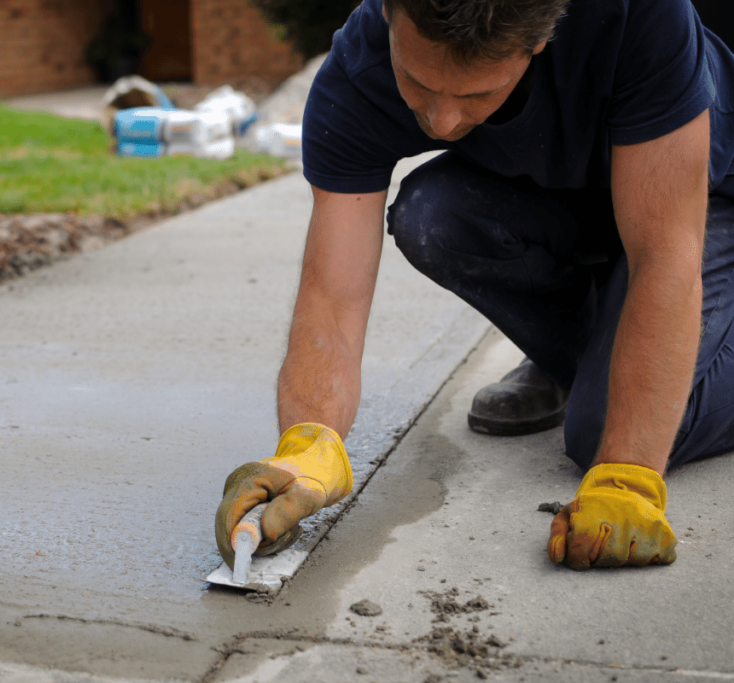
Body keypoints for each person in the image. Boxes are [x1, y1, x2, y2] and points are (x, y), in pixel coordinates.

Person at [216, 0, 734, 571]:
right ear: (390, 11)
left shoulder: (641, 17)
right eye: (416, 81)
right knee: (432, 216)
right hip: (589, 202)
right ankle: (594, 355)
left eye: (477, 94)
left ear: (541, 41)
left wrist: (630, 478)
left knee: (602, 437)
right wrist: (307, 448)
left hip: (702, 206)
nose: (440, 121)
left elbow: (665, 258)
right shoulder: (357, 75)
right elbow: (331, 299)